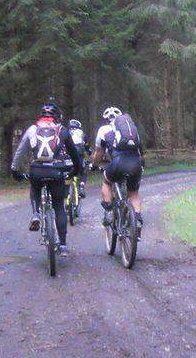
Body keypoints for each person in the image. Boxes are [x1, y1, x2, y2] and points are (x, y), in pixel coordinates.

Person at [11, 101, 83, 256]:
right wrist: (76, 170)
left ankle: (36, 213)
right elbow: (74, 154)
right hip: (56, 171)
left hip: (36, 170)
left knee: (35, 186)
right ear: (57, 116)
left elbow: (20, 151)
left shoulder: (33, 129)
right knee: (59, 207)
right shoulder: (62, 130)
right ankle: (63, 245)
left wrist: (14, 169)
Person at [92, 106, 144, 237]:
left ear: (106, 119)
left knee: (106, 181)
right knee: (134, 194)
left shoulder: (103, 130)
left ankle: (109, 211)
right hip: (135, 163)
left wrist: (94, 164)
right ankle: (137, 221)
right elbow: (140, 153)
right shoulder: (132, 130)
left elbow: (99, 153)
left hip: (117, 163)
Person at [68, 118, 88, 197]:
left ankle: (65, 190)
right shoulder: (82, 134)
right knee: (83, 171)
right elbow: (87, 147)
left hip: (67, 156)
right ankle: (82, 186)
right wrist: (89, 152)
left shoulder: (66, 132)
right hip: (79, 156)